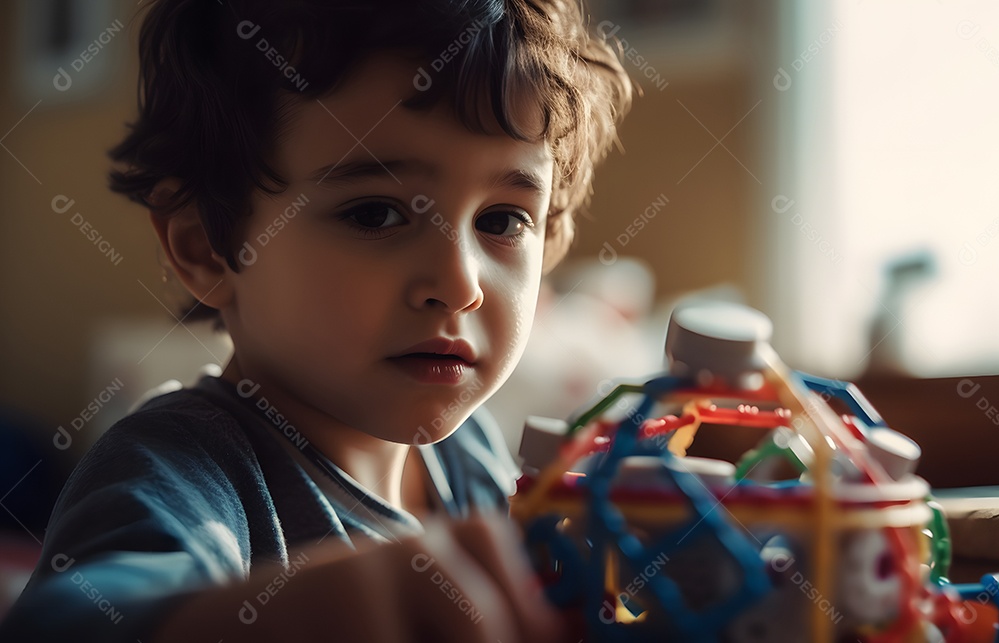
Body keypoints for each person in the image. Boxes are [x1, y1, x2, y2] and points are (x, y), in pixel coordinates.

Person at [0, 1, 632, 640]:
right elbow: (62, 619)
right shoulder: (183, 467)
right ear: (207, 248)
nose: (460, 286)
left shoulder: (471, 457)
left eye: (501, 221)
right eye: (375, 214)